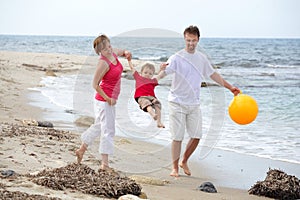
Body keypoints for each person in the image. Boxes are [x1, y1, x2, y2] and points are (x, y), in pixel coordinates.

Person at [157, 25, 240, 177]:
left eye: (194, 40)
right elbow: (162, 74)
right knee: (177, 137)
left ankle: (184, 161)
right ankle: (174, 168)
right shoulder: (176, 57)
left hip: (194, 104)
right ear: (184, 39)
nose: (191, 43)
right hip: (176, 102)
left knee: (196, 136)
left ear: (198, 40)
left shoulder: (201, 58)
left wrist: (230, 87)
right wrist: (156, 75)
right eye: (188, 40)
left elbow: (214, 75)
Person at [75, 34, 131, 170]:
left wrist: (126, 53)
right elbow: (94, 84)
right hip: (104, 101)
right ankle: (105, 165)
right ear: (100, 51)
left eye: (109, 46)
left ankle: (81, 150)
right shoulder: (103, 63)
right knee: (108, 130)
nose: (109, 50)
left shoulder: (112, 52)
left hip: (108, 101)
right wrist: (107, 98)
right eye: (105, 49)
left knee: (99, 126)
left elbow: (121, 52)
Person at [128, 60, 165, 128]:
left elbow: (160, 75)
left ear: (152, 75)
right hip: (141, 97)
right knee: (147, 103)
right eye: (145, 72)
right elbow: (132, 68)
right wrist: (129, 60)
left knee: (157, 104)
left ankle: (159, 122)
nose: (147, 74)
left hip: (152, 97)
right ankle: (153, 115)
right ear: (141, 73)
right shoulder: (138, 78)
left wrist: (162, 69)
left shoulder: (153, 81)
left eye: (150, 74)